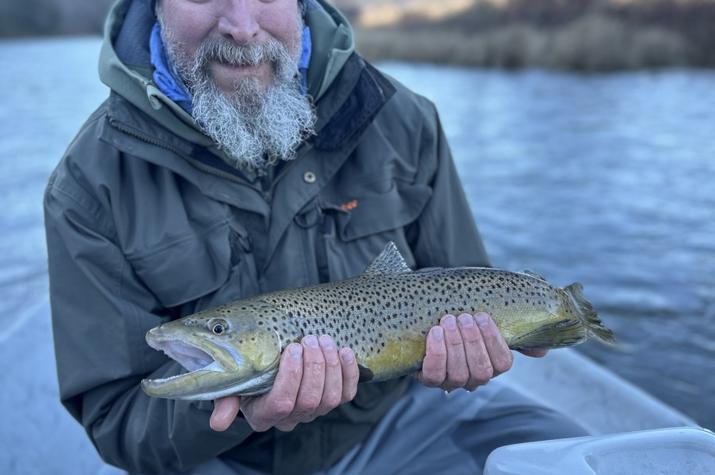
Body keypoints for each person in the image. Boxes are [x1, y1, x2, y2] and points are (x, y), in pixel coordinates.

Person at [44, 0, 587, 473]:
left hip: (395, 422)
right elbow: (119, 422)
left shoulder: (403, 119)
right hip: (221, 460)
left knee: (575, 457)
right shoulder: (89, 185)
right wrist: (241, 414)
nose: (241, 24)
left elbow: (469, 283)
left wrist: (469, 358)